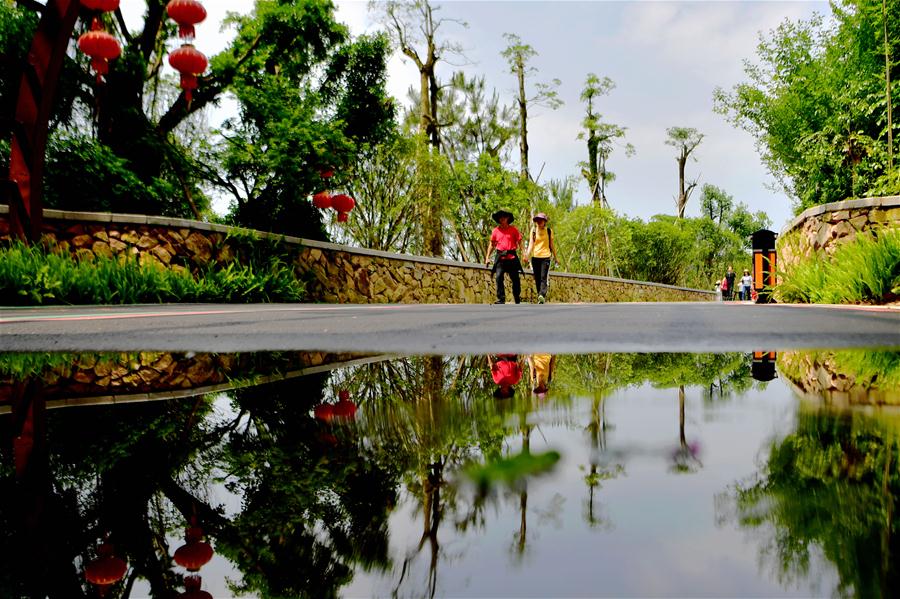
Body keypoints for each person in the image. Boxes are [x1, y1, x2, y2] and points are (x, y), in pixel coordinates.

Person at [484, 209, 524, 304]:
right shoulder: (495, 231)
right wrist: (487, 257)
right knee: (498, 277)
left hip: (512, 257)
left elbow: (520, 242)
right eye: (500, 217)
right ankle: (501, 299)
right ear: (498, 219)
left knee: (515, 279)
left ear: (508, 218)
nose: (502, 218)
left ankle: (517, 297)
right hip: (500, 258)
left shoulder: (513, 230)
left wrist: (524, 254)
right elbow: (492, 245)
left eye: (504, 217)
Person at [524, 213, 560, 304]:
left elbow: (552, 245)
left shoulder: (549, 231)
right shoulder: (533, 231)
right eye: (538, 220)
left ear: (545, 221)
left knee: (543, 277)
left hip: (546, 257)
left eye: (541, 220)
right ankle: (540, 295)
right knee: (537, 277)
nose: (539, 222)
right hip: (535, 257)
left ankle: (542, 295)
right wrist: (527, 255)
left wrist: (556, 258)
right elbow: (531, 244)